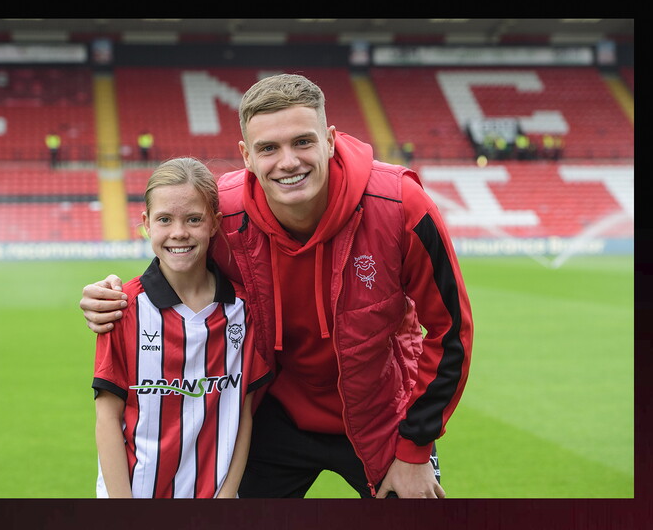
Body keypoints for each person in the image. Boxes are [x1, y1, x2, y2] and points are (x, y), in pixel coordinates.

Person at [82, 74, 473, 499]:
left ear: (330, 140)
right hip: (270, 416)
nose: (288, 162)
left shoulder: (400, 205)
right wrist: (110, 296)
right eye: (269, 148)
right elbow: (176, 262)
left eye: (302, 142)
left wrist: (415, 450)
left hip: (381, 418)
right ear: (247, 156)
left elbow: (451, 332)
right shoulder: (225, 216)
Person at [93, 157, 272, 498]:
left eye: (193, 219)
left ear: (214, 224)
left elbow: (242, 413)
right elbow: (106, 418)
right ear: (146, 223)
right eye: (164, 219)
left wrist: (227, 494)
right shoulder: (122, 307)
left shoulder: (242, 310)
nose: (179, 232)